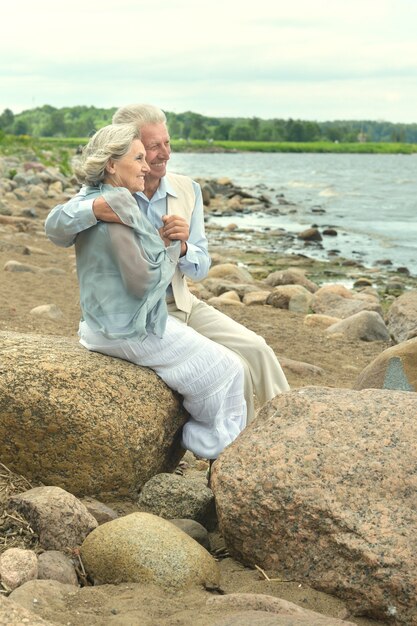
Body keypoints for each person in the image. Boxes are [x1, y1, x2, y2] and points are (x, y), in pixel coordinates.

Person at [45, 104, 290, 422]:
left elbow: (201, 266)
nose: (162, 155)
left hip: (183, 303)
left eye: (167, 143)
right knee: (236, 368)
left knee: (258, 349)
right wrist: (94, 210)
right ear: (128, 151)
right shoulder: (101, 193)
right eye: (151, 148)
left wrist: (185, 246)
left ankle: (289, 431)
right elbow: (55, 227)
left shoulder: (188, 190)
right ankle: (238, 454)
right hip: (136, 315)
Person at [63, 122, 247, 462]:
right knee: (227, 369)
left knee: (229, 363)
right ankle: (214, 447)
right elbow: (140, 281)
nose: (148, 165)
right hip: (124, 325)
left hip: (105, 322)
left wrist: (164, 243)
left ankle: (216, 443)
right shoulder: (115, 204)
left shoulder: (101, 199)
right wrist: (173, 249)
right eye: (139, 157)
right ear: (112, 165)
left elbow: (126, 262)